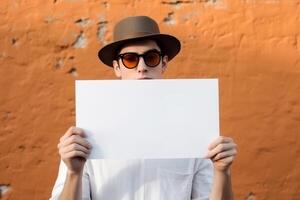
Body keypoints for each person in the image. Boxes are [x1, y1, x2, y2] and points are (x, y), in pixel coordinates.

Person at [50, 16, 237, 200]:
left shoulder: (195, 134)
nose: (141, 67)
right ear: (117, 67)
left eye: (151, 58)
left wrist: (223, 172)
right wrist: (74, 173)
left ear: (163, 64)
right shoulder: (86, 137)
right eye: (130, 59)